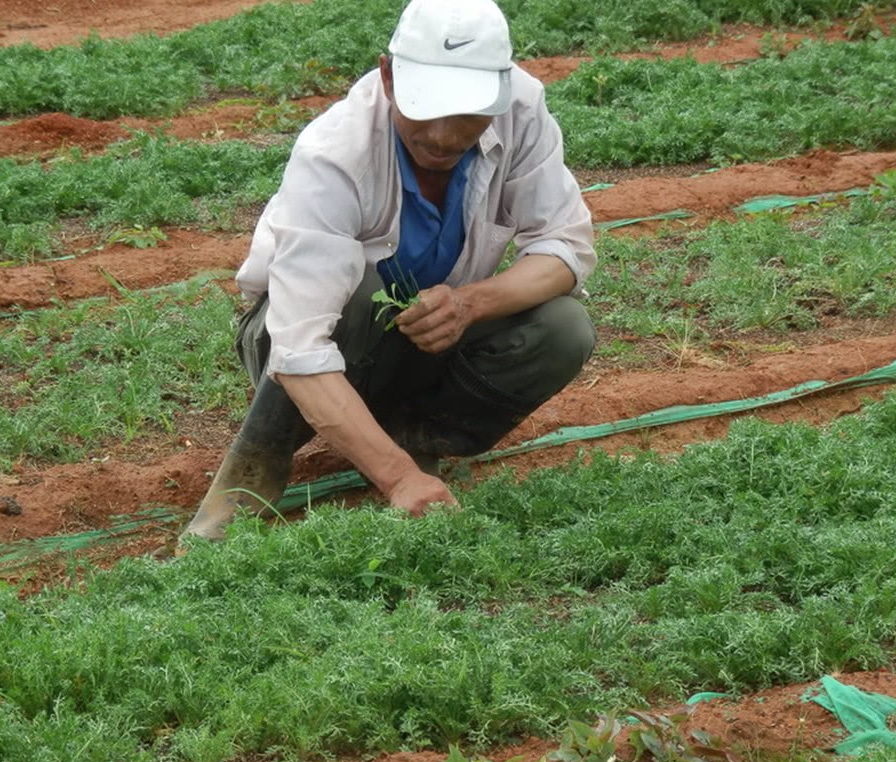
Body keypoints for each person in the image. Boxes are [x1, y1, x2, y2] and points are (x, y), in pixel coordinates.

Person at [179, 0, 597, 544]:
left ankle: (412, 436)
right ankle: (255, 469)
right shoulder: (334, 153)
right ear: (389, 76)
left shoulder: (520, 107)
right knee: (359, 288)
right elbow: (299, 347)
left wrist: (470, 303)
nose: (444, 137)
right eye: (427, 109)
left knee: (563, 328)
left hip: (423, 344)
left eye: (469, 114)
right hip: (300, 345)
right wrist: (397, 481)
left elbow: (565, 245)